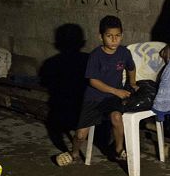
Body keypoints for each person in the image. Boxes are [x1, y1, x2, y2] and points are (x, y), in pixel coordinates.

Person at [56, 15, 136, 165]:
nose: (114, 40)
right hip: (94, 98)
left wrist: (133, 83)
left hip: (111, 99)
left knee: (116, 117)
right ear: (101, 37)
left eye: (118, 36)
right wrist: (116, 91)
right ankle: (74, 153)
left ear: (122, 35)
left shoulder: (124, 52)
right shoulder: (95, 56)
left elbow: (131, 67)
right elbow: (93, 81)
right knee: (80, 135)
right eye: (109, 36)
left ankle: (119, 150)